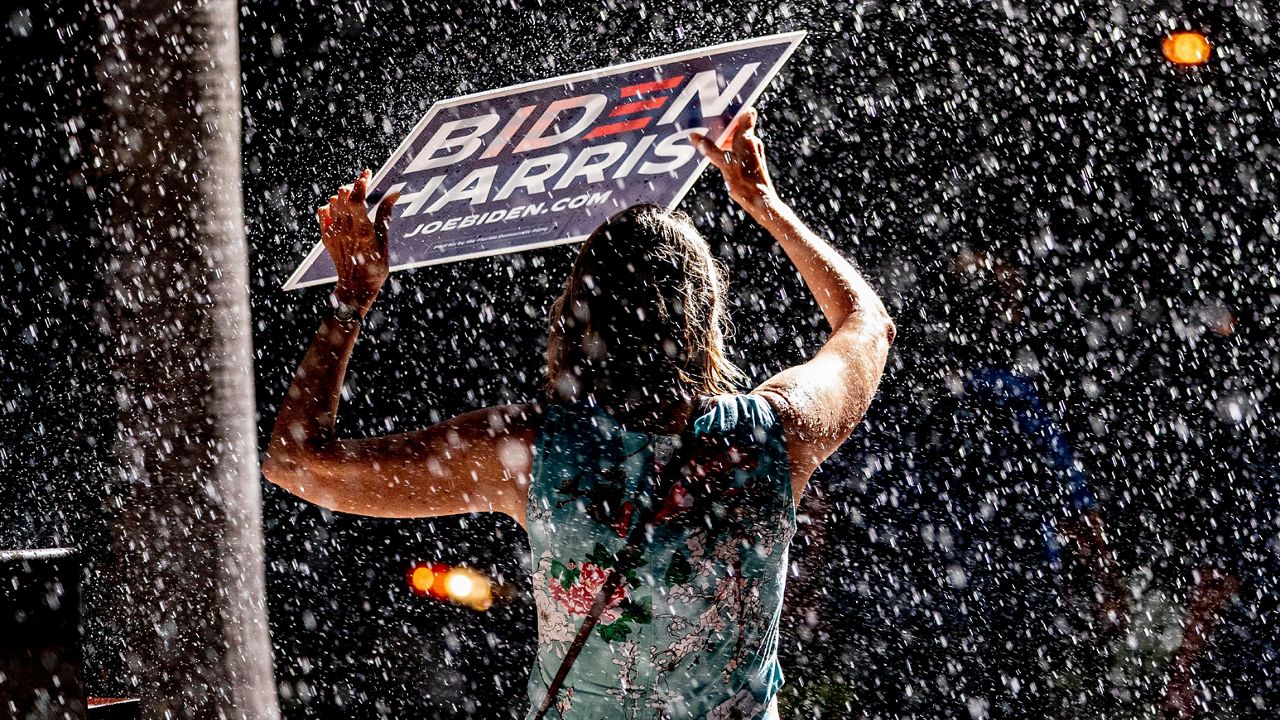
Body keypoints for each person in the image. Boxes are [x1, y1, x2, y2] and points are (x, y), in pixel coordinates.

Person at [262, 109, 895, 720]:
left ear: (575, 320)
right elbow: (869, 325)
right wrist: (764, 203)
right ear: (705, 324)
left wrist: (352, 296)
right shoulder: (774, 434)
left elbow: (297, 464)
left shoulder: (531, 452)